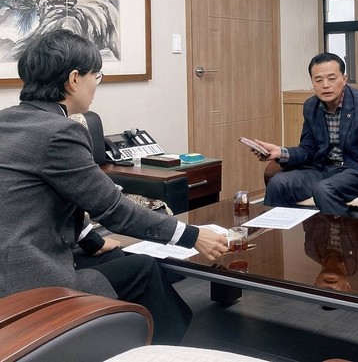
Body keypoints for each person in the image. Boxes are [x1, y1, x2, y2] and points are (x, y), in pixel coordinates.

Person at [0, 29, 228, 345]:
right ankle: (163, 351)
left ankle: (131, 339)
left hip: (12, 261)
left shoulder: (8, 121)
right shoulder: (60, 132)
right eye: (96, 75)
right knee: (143, 269)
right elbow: (114, 211)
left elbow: (36, 197)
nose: (97, 84)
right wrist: (192, 236)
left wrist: (92, 240)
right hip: (27, 282)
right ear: (74, 79)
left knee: (119, 257)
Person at [250, 52, 358, 217]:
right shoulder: (311, 106)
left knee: (324, 189)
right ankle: (277, 231)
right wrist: (280, 152)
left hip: (355, 170)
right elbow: (307, 150)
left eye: (332, 78)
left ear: (344, 79)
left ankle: (345, 232)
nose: (325, 85)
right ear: (312, 82)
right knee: (277, 183)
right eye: (318, 80)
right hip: (322, 169)